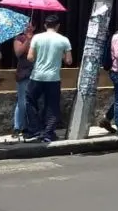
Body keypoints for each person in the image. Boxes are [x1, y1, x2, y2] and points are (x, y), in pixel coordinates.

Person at [25, 14, 73, 143]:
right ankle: (48, 133)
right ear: (58, 26)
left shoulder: (37, 37)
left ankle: (35, 129)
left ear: (45, 25)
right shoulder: (64, 40)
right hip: (53, 78)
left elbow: (30, 57)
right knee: (52, 105)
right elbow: (69, 61)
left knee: (30, 101)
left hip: (37, 76)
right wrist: (60, 54)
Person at [12, 23, 34, 138]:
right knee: (22, 102)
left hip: (35, 73)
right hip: (23, 74)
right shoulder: (19, 39)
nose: (28, 28)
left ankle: (28, 127)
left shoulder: (37, 38)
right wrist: (27, 40)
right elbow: (18, 52)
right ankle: (17, 126)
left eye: (31, 26)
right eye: (26, 26)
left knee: (31, 102)